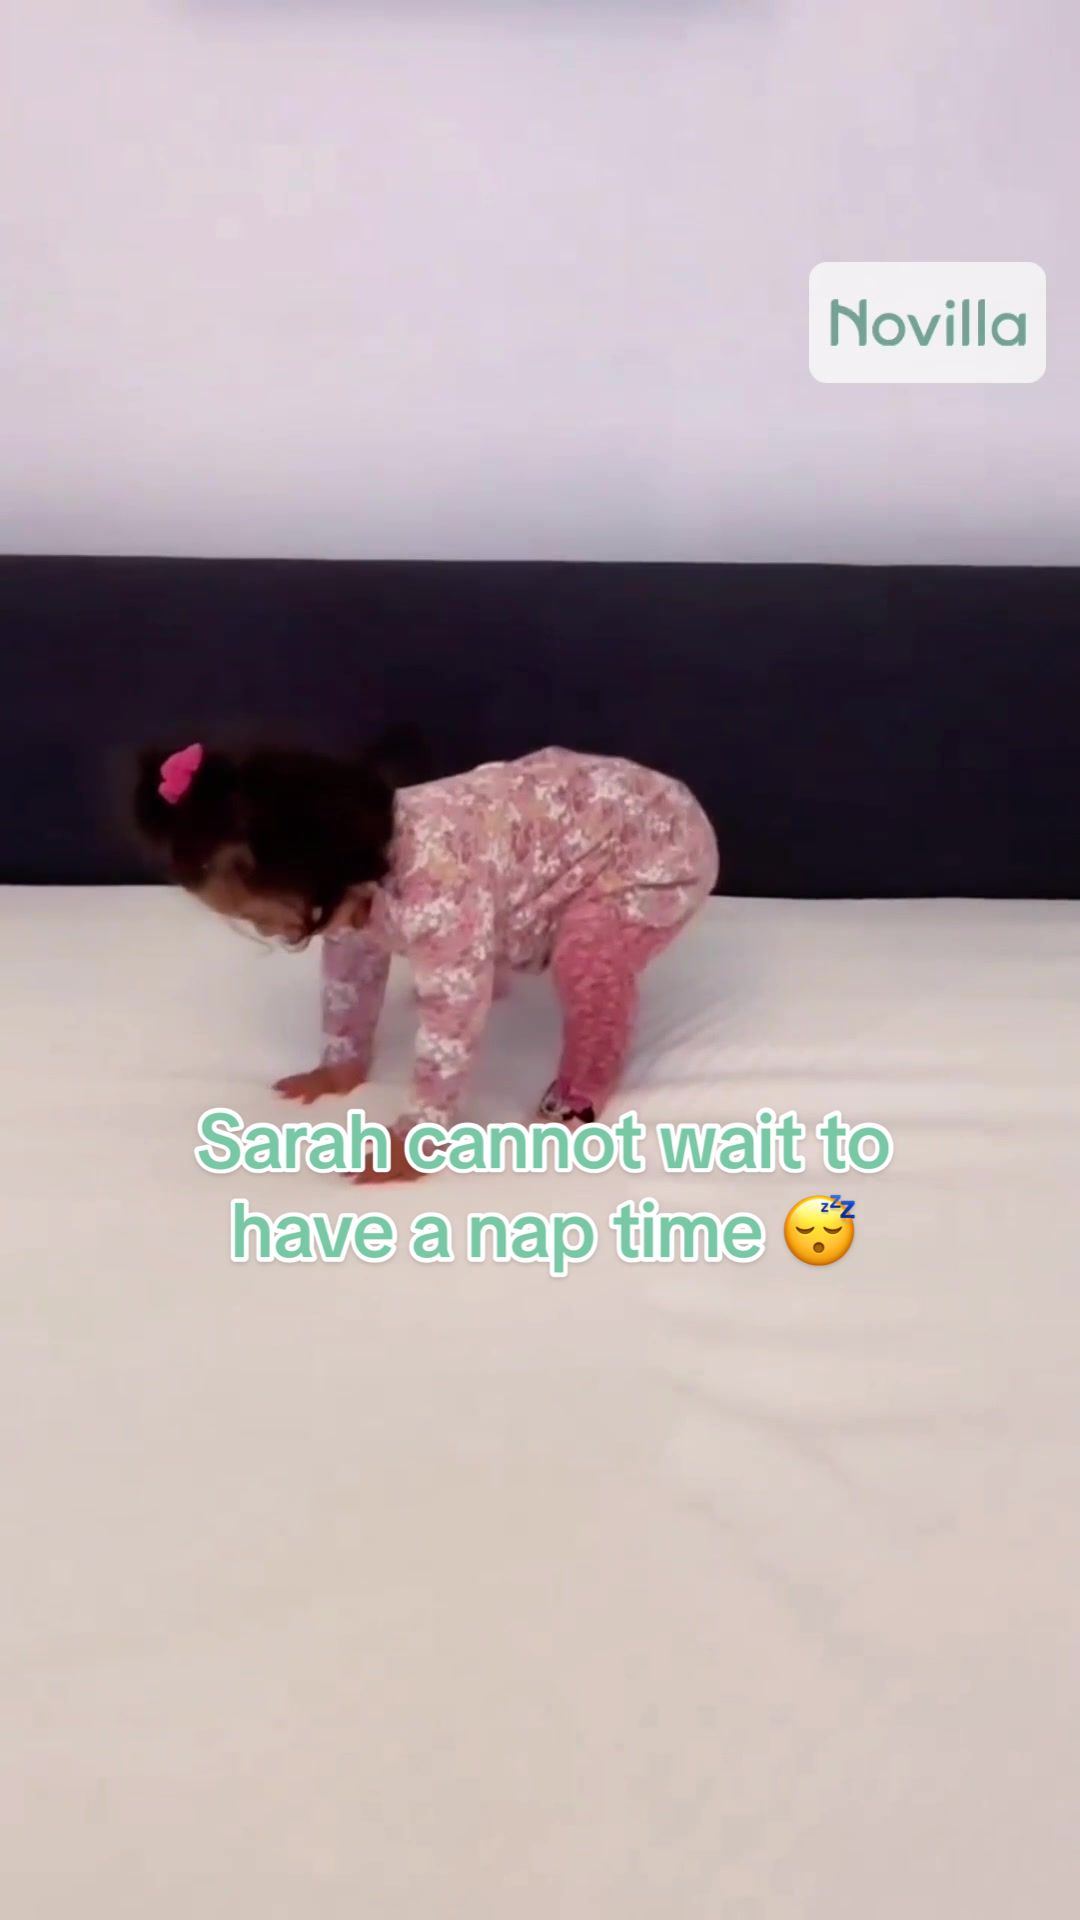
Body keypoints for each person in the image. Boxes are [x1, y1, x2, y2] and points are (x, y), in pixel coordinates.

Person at [135, 739, 718, 1181]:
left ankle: (586, 1083)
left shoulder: (433, 889)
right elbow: (352, 954)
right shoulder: (349, 876)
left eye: (266, 917)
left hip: (657, 843)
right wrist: (343, 1060)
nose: (267, 932)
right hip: (575, 822)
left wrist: (422, 1132)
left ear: (322, 875)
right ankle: (501, 940)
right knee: (459, 928)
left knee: (585, 961)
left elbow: (452, 1018)